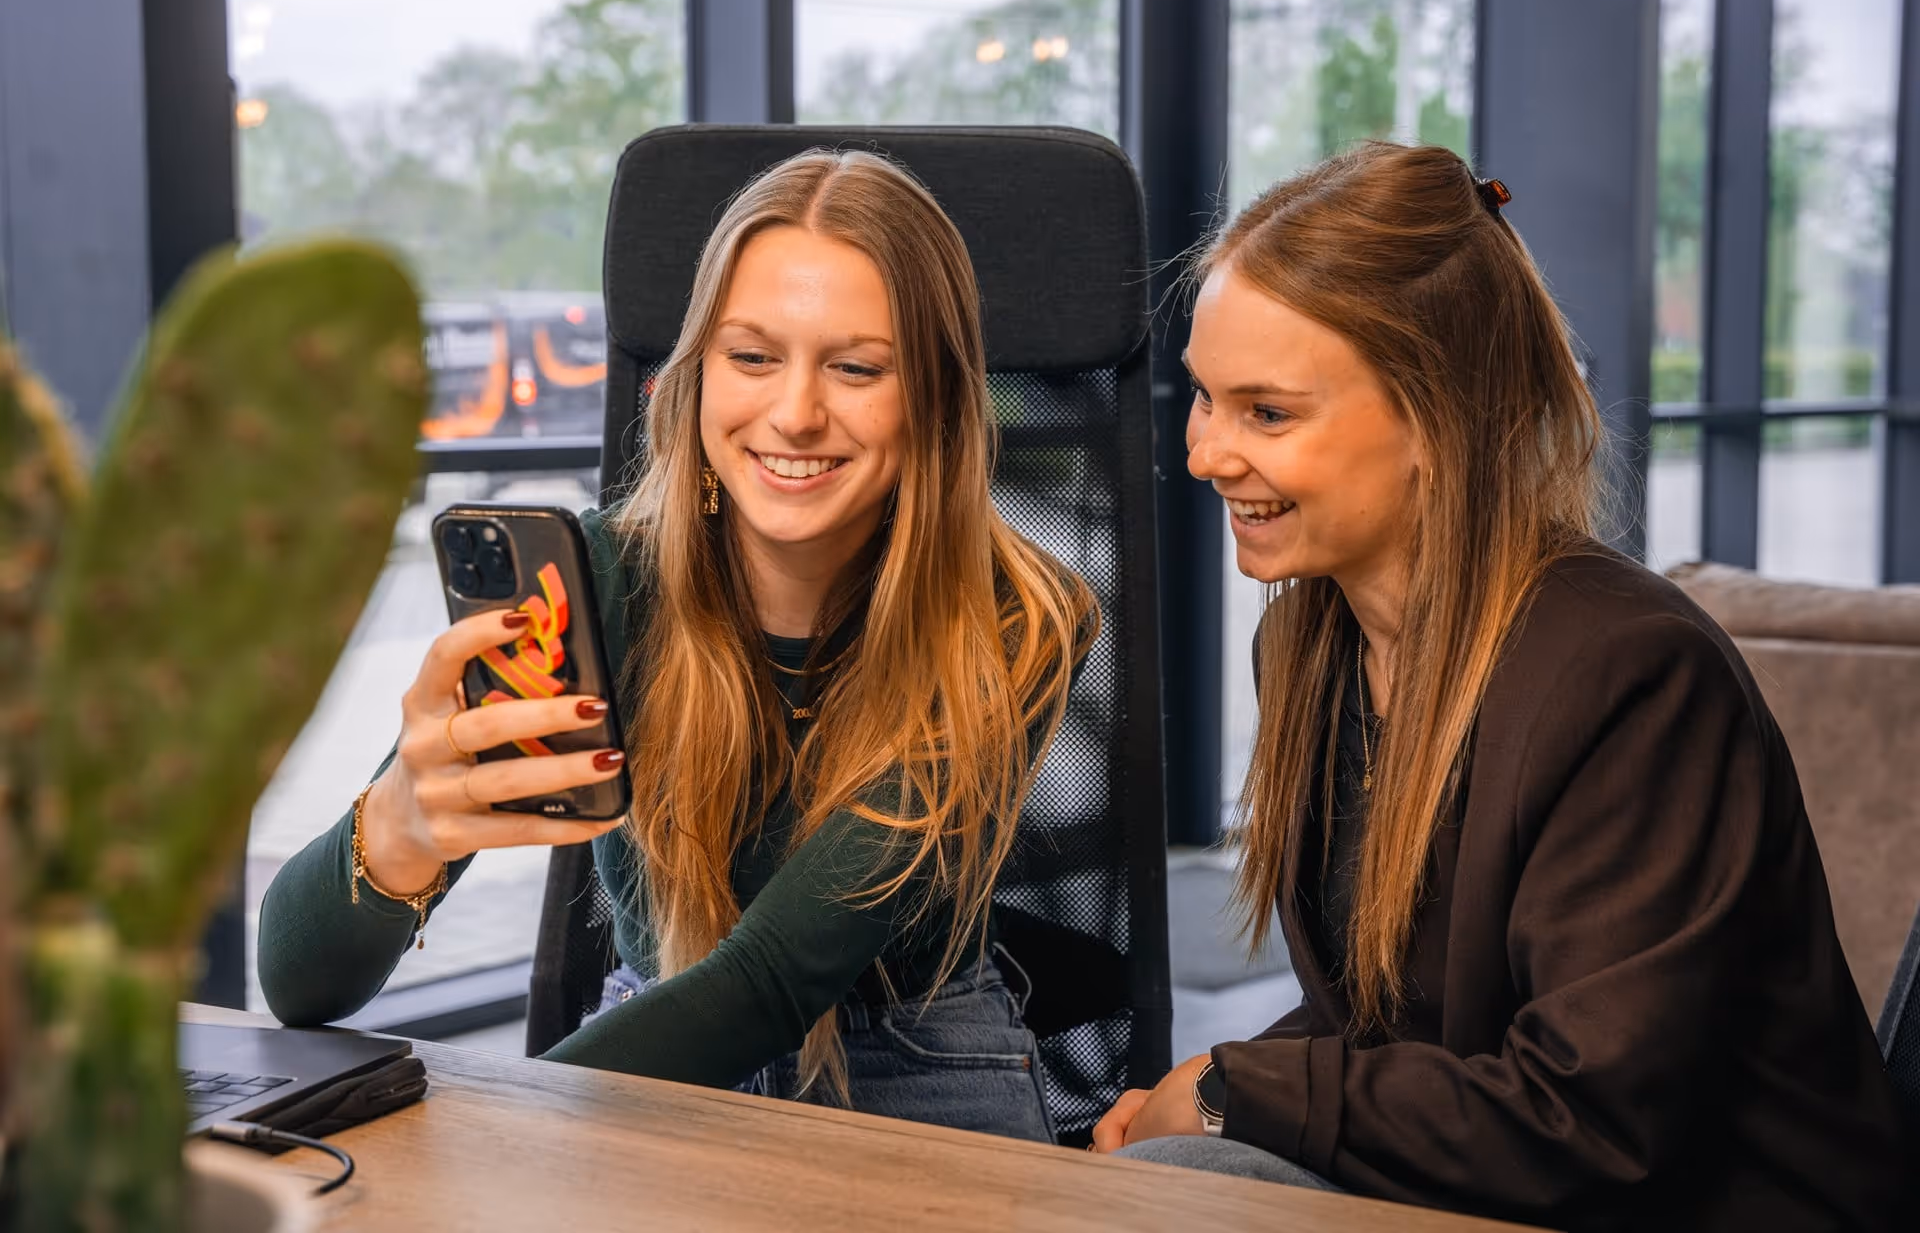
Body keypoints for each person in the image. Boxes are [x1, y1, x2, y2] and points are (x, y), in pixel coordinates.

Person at [1093, 142, 1909, 1230]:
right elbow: (1401, 1030)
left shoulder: (1633, 676)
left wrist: (1234, 1091)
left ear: (1436, 415)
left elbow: (1593, 1117)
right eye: (1205, 398)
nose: (1205, 454)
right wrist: (1205, 1093)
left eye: (1268, 413)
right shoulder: (1308, 645)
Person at [258, 149, 1095, 1142]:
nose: (793, 412)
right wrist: (401, 822)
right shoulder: (598, 583)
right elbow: (300, 988)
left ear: (936, 401)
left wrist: (501, 1157)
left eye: (856, 367)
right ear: (692, 380)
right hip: (646, 1047)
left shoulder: (1014, 618)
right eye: (751, 356)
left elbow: (768, 981)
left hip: (916, 1066)